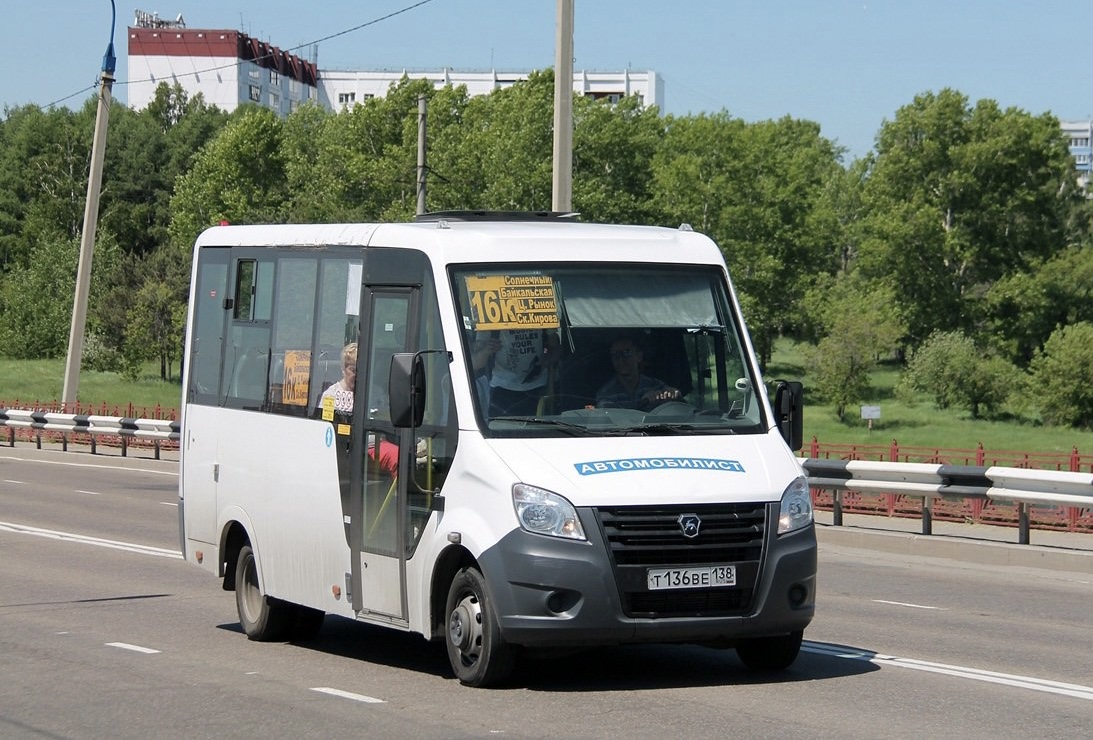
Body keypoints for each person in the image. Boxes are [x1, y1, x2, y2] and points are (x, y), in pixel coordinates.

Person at [595, 335, 681, 411]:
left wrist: (673, 393)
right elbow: (608, 420)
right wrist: (644, 401)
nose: (620, 360)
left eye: (626, 353)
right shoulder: (606, 394)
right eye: (615, 355)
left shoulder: (655, 386)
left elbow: (677, 404)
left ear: (639, 356)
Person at [488, 329, 559, 416]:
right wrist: (486, 349)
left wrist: (544, 362)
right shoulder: (492, 318)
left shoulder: (542, 315)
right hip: (502, 388)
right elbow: (475, 359)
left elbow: (556, 348)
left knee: (540, 428)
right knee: (499, 427)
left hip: (538, 387)